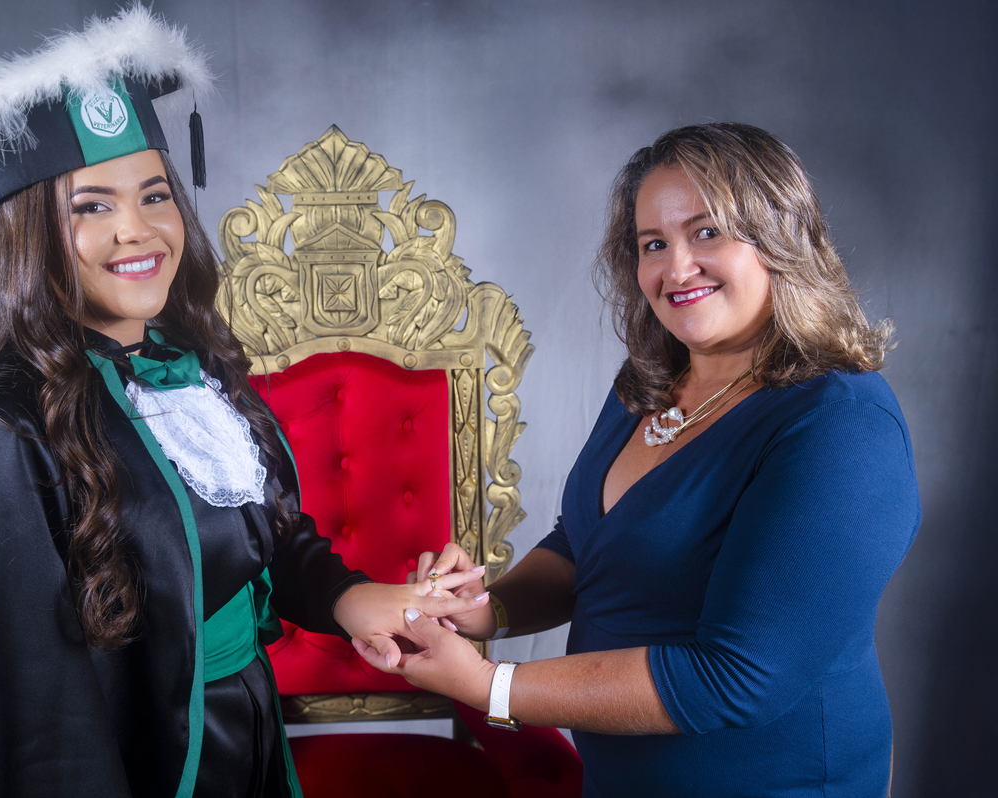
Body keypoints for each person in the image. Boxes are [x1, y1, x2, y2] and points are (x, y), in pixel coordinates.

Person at [0, 7, 482, 797]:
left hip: (244, 740)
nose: (138, 230)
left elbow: (258, 536)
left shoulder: (195, 370)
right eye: (92, 206)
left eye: (154, 195)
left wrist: (355, 598)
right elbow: (38, 732)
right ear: (33, 234)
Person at [354, 122, 921, 797]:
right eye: (654, 244)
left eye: (707, 233)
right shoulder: (649, 382)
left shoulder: (840, 423)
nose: (675, 269)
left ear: (780, 238)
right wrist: (488, 610)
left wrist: (489, 685)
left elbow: (735, 678)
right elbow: (585, 545)